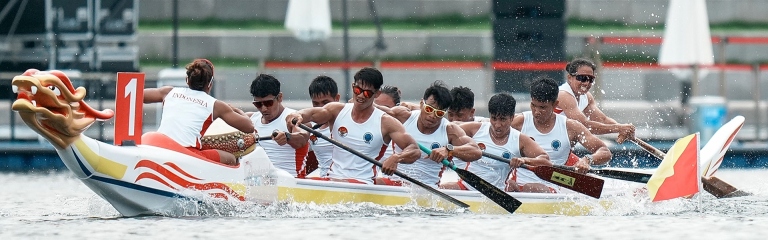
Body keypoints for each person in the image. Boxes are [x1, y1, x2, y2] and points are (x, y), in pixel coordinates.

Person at [285, 67, 421, 184]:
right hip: (333, 180)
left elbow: (414, 150)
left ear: (377, 94)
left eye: (367, 93)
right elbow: (313, 113)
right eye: (357, 90)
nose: (361, 96)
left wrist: (396, 158)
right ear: (352, 86)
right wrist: (298, 115)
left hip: (362, 184)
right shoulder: (336, 110)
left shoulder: (386, 122)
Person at [143, 59, 255, 166]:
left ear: (187, 80)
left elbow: (138, 94)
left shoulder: (168, 92)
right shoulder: (215, 105)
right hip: (186, 154)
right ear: (210, 84)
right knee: (230, 159)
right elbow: (249, 127)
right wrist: (236, 110)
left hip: (156, 143)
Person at [510, 77, 612, 193]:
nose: (536, 112)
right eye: (533, 105)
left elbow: (604, 151)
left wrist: (587, 160)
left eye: (543, 107)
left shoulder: (571, 127)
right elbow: (490, 126)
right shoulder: (518, 122)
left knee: (535, 188)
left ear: (555, 105)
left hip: (551, 187)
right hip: (516, 184)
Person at [375, 81, 482, 187]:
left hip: (428, 189)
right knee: (373, 181)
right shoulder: (403, 116)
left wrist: (449, 150)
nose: (432, 116)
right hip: (394, 183)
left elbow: (476, 151)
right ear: (422, 104)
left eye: (439, 113)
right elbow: (372, 109)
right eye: (429, 109)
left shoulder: (450, 130)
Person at [441, 93, 549, 191]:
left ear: (512, 118)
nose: (497, 125)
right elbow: (448, 129)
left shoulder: (520, 139)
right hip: (466, 186)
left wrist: (524, 160)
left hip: (498, 193)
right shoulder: (475, 129)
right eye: (494, 118)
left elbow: (545, 159)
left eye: (502, 119)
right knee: (441, 188)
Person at [556, 58, 635, 143]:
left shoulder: (587, 97)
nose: (586, 83)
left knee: (605, 153)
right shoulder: (564, 95)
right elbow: (584, 125)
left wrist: (623, 129)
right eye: (582, 78)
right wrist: (619, 128)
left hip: (560, 147)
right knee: (603, 152)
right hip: (547, 147)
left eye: (590, 79)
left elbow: (602, 120)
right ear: (570, 78)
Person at [248, 74, 310, 178]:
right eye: (258, 104)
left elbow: (302, 138)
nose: (263, 109)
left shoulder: (293, 118)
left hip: (291, 183)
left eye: (268, 103)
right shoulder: (250, 120)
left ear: (280, 97)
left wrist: (287, 137)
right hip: (257, 184)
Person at [306, 75, 340, 176]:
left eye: (326, 103)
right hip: (323, 178)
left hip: (346, 179)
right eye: (316, 104)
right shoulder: (309, 126)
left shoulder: (348, 120)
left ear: (337, 99)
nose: (321, 109)